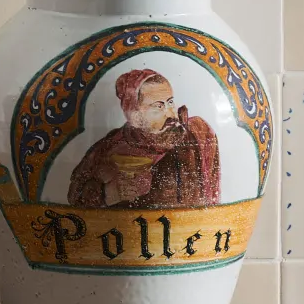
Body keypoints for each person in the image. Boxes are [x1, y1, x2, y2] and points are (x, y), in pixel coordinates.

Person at [67, 67, 220, 209]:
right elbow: (75, 196)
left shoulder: (196, 133)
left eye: (170, 102)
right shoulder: (109, 147)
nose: (171, 113)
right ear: (136, 116)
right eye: (159, 106)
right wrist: (108, 194)